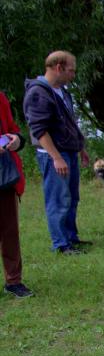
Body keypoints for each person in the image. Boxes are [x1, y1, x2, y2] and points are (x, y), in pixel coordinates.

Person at [23, 50, 91, 255]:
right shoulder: (38, 92)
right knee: (58, 199)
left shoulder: (63, 91)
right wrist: (56, 157)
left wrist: (81, 148)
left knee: (71, 197)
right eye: (71, 70)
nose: (73, 74)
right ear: (58, 68)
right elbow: (39, 129)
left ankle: (71, 237)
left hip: (69, 151)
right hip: (54, 155)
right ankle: (60, 244)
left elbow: (70, 123)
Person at [0, 92, 33, 297]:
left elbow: (13, 130)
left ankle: (14, 281)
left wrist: (16, 140)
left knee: (9, 230)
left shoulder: (0, 98)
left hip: (4, 174)